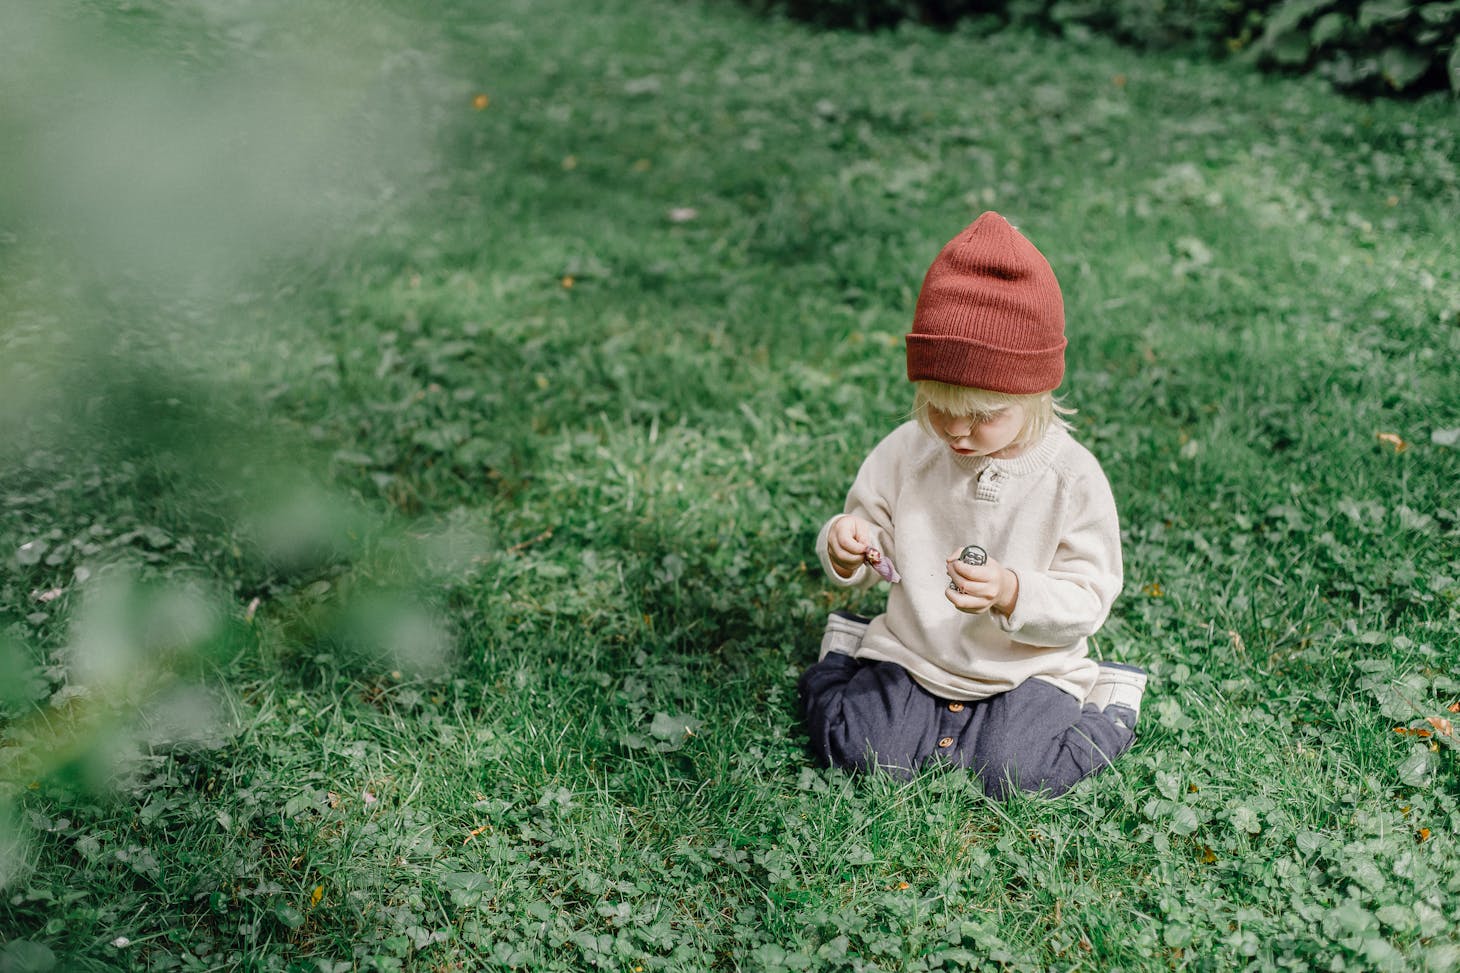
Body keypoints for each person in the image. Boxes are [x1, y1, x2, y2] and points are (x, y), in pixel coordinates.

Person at [798, 211, 1146, 798]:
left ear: (1035, 393)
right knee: (858, 752)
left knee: (1018, 773)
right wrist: (848, 541)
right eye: (938, 407)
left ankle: (1109, 701)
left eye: (983, 417)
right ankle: (850, 650)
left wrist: (1014, 591)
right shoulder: (911, 451)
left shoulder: (1071, 479)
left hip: (1025, 668)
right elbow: (869, 526)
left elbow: (1087, 597)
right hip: (914, 651)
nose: (956, 433)